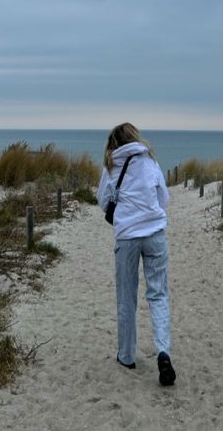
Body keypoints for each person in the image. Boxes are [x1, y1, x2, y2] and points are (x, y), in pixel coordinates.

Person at [97, 122, 176, 386]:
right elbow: (163, 198)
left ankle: (126, 356)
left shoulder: (111, 166)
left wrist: (125, 212)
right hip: (155, 234)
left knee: (126, 299)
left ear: (114, 142)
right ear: (135, 138)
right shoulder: (150, 162)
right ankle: (163, 352)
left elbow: (103, 201)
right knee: (159, 294)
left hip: (127, 238)